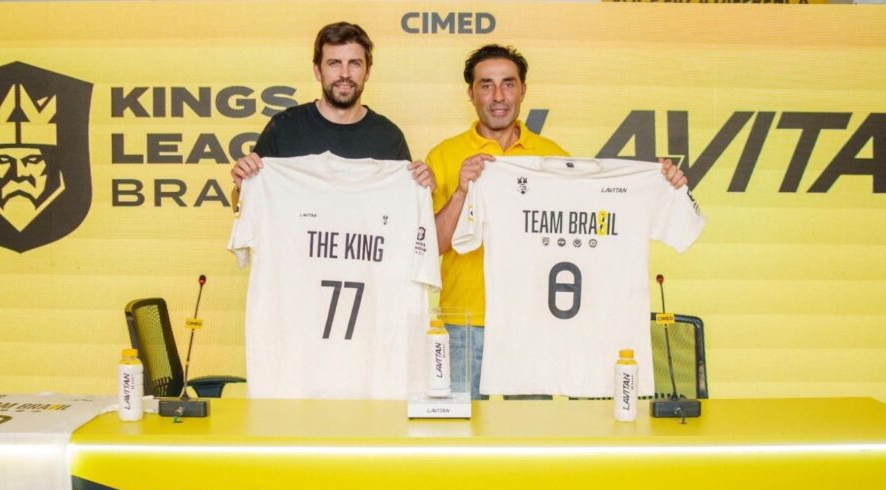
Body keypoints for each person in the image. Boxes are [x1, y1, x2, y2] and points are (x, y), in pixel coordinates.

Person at [426, 44, 688, 400]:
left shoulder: (554, 157)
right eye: (486, 85)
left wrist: (662, 184)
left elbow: (599, 223)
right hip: (465, 323)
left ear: (523, 90)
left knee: (533, 430)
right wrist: (461, 192)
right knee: (460, 428)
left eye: (508, 83)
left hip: (535, 324)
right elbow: (431, 247)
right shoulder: (443, 155)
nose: (498, 96)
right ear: (470, 93)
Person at [230, 21, 434, 202]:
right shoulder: (284, 128)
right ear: (318, 71)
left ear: (367, 72)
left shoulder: (389, 137)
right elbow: (243, 206)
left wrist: (423, 191)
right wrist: (242, 187)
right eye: (334, 63)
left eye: (354, 63)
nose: (345, 74)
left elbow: (403, 212)